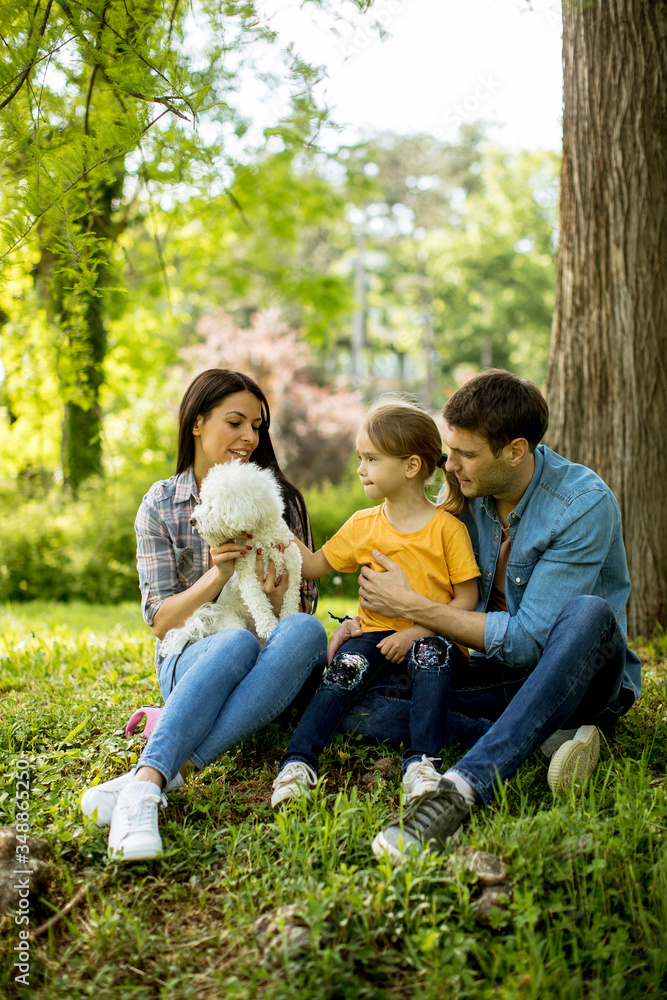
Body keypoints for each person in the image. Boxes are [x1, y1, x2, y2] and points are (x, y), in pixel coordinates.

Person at [326, 370, 640, 861]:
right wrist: (366, 622)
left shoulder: (581, 504)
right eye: (450, 449)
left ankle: (462, 788)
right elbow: (419, 572)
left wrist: (411, 606)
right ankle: (541, 739)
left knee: (587, 613)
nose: (448, 464)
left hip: (580, 677)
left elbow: (529, 643)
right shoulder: (464, 494)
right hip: (496, 674)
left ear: (515, 451)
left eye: (465, 454)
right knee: (351, 697)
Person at [80, 369, 327, 862]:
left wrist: (280, 597)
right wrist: (217, 576)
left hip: (267, 659)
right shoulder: (161, 505)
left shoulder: (274, 498)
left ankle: (146, 779)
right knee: (233, 643)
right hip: (190, 660)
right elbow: (159, 620)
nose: (248, 438)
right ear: (197, 423)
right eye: (235, 422)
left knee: (305, 629)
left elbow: (300, 603)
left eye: (256, 426)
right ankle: (149, 783)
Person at [270, 402, 480, 808]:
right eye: (360, 458)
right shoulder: (363, 524)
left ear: (411, 466)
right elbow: (312, 566)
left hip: (434, 636)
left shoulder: (447, 530)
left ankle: (421, 764)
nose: (361, 468)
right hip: (374, 633)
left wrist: (416, 631)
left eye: (371, 459)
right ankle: (297, 763)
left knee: (429, 654)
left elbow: (466, 600)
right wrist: (273, 523)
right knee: (343, 671)